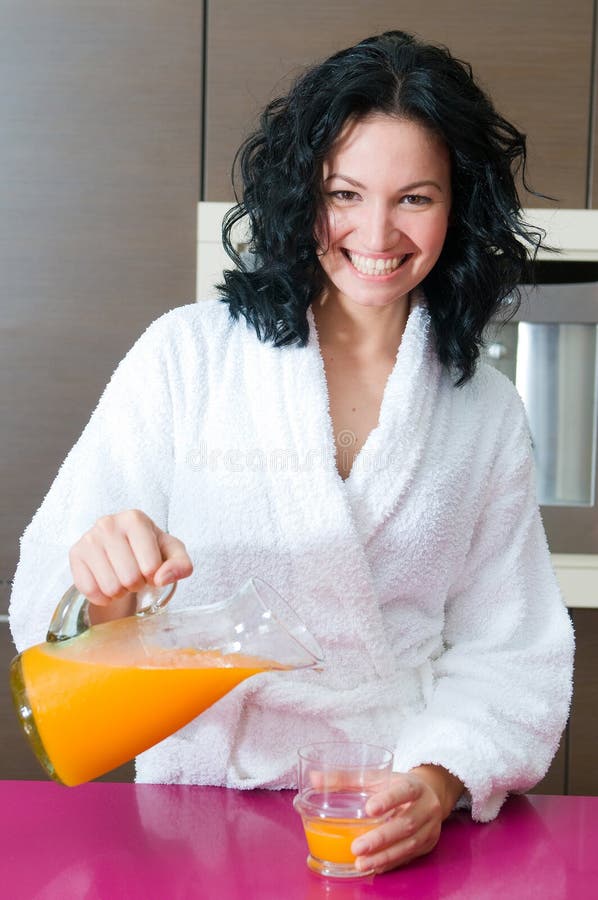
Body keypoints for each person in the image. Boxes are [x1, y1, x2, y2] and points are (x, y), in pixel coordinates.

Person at [10, 30, 574, 874]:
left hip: (377, 809)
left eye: (414, 197)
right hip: (194, 806)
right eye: (344, 193)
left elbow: (513, 650)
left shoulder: (483, 412)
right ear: (300, 193)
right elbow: (49, 606)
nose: (376, 232)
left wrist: (432, 780)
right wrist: (104, 592)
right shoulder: (187, 355)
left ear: (459, 205)